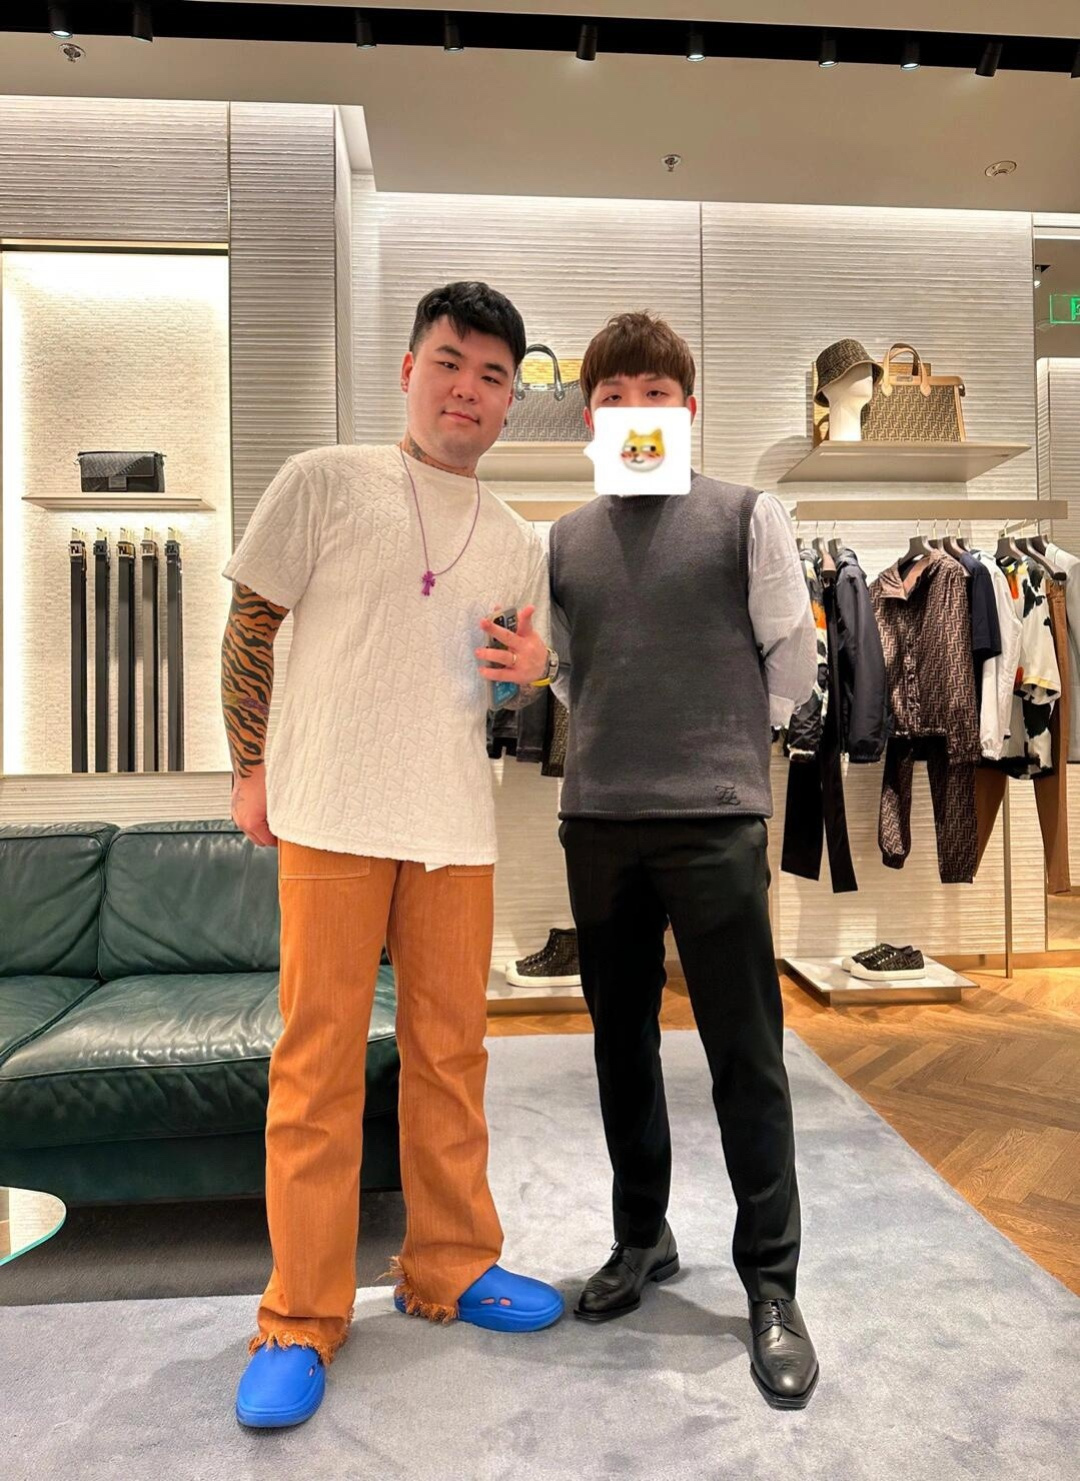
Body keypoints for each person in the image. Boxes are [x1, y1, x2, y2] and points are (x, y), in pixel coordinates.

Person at [220, 281, 563, 1431]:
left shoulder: (516, 537)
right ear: (410, 370)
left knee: (451, 1053)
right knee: (316, 1063)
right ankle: (299, 1314)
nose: (469, 388)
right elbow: (251, 623)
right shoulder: (324, 479)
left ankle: (451, 1262)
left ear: (510, 402)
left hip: (455, 824)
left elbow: (505, 683)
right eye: (450, 363)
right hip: (329, 809)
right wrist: (250, 767)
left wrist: (535, 674)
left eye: (493, 375)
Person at [549, 311, 821, 1409]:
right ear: (591, 416)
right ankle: (641, 1235)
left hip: (714, 818)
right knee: (619, 1045)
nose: (635, 410)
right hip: (597, 819)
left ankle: (772, 1283)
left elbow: (792, 658)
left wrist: (725, 745)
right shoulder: (562, 539)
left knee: (744, 1052)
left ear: (687, 407)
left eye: (655, 393)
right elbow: (567, 669)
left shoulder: (747, 516)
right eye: (615, 395)